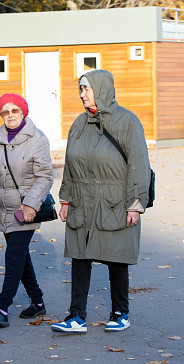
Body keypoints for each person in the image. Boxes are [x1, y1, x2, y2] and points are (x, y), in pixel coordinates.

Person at [51, 69, 151, 334]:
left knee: (116, 256)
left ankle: (120, 312)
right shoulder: (78, 125)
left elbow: (139, 165)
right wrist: (65, 198)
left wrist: (136, 203)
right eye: (81, 89)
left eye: (86, 89)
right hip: (83, 199)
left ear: (101, 89)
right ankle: (76, 317)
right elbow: (70, 165)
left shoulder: (128, 122)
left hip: (114, 200)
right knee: (79, 257)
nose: (82, 94)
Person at [0, 93, 54, 328]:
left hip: (25, 209)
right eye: (5, 112)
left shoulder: (37, 139)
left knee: (14, 255)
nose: (10, 116)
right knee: (20, 256)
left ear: (23, 112)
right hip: (2, 207)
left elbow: (44, 177)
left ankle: (2, 308)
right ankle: (38, 303)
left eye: (14, 110)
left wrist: (30, 204)